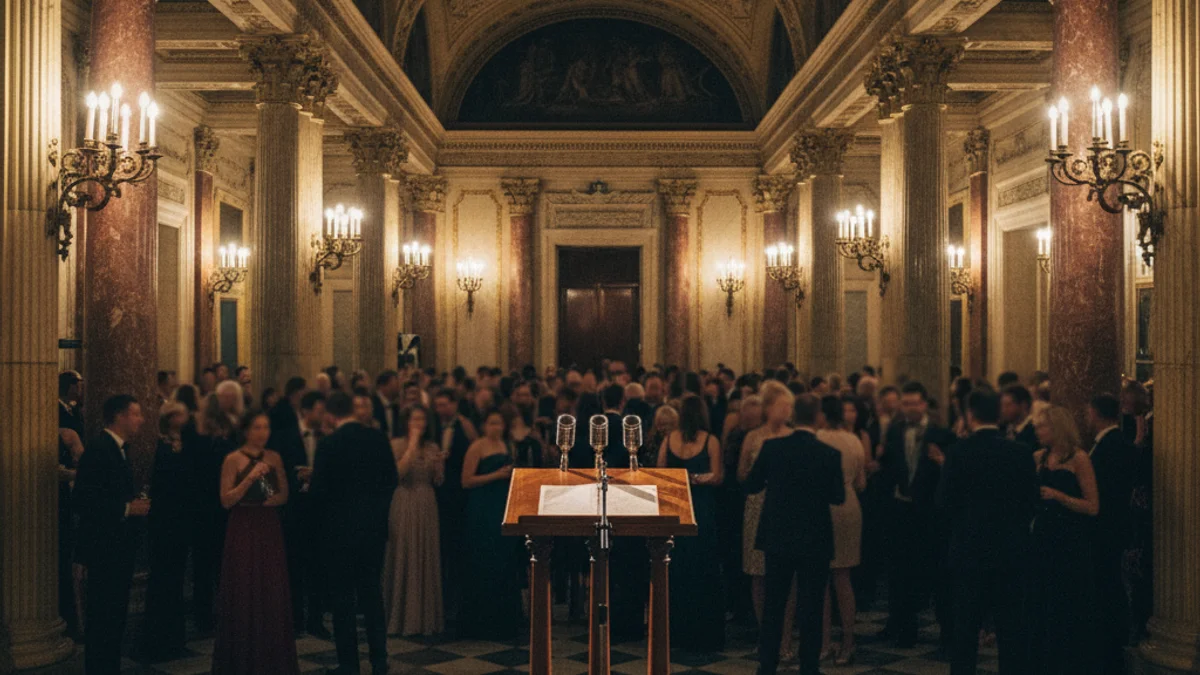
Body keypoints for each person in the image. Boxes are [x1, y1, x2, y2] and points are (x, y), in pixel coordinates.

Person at [936, 390, 1038, 675]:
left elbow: (943, 502)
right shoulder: (1020, 452)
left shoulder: (958, 452)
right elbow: (1032, 502)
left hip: (969, 551)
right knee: (1011, 629)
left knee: (965, 629)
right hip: (1010, 551)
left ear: (970, 416)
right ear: (998, 415)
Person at [743, 394, 845, 675]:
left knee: (774, 604)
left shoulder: (772, 448)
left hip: (778, 535)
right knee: (811, 605)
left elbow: (752, 485)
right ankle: (809, 667)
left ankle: (767, 665)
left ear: (792, 416)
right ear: (818, 418)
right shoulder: (828, 454)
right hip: (815, 537)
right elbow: (838, 497)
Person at [310, 392, 399, 675]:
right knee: (372, 596)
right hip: (372, 531)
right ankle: (379, 660)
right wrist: (377, 514)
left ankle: (348, 664)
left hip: (338, 533)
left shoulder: (328, 444)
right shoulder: (377, 439)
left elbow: (319, 492)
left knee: (343, 601)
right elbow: (391, 480)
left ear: (331, 415)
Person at [211, 411, 297, 674]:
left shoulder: (274, 457)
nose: (263, 432)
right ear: (247, 430)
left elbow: (282, 494)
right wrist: (250, 478)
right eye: (258, 427)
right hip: (243, 526)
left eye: (266, 427)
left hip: (268, 526)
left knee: (270, 586)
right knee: (244, 586)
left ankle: (272, 657)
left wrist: (272, 497)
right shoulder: (232, 459)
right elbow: (226, 500)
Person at [73, 394, 150, 675]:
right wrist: (128, 508)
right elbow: (83, 499)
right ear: (120, 416)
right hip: (104, 549)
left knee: (114, 617)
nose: (141, 420)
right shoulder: (99, 448)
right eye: (137, 414)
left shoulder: (119, 449)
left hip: (117, 548)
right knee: (104, 617)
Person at [1027, 405, 1100, 674]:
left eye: (1041, 426)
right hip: (1043, 536)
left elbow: (1092, 506)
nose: (1037, 431)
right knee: (1041, 601)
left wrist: (1059, 496)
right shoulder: (1037, 458)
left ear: (1056, 428)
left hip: (1070, 540)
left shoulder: (1079, 459)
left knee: (1067, 603)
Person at [878, 381, 952, 647]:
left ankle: (947, 632)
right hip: (900, 510)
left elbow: (953, 475)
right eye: (905, 403)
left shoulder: (941, 434)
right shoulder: (895, 432)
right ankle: (905, 629)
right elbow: (889, 469)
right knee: (900, 572)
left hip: (930, 513)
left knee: (937, 572)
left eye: (914, 403)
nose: (909, 408)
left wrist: (941, 463)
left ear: (924, 404)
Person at [658, 394, 725, 651]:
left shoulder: (668, 440)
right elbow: (717, 476)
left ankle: (677, 631)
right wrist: (697, 478)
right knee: (704, 568)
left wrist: (682, 478)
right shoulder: (711, 441)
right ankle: (705, 632)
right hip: (702, 508)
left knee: (678, 569)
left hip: (677, 508)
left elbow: (661, 472)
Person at [738, 382, 794, 653]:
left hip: (785, 506)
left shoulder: (793, 437)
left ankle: (784, 637)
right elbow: (741, 475)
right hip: (757, 506)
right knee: (758, 573)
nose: (787, 411)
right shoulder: (753, 437)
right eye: (783, 405)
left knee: (785, 574)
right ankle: (766, 635)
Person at [141, 402, 200, 661]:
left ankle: (173, 639)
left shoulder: (185, 444)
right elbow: (166, 484)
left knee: (174, 581)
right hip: (167, 523)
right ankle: (159, 641)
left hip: (179, 522)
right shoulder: (164, 447)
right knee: (164, 581)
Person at [383, 404, 446, 636]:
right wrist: (412, 444)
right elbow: (398, 473)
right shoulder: (397, 445)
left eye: (422, 420)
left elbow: (438, 481)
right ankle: (400, 618)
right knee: (404, 553)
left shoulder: (432, 446)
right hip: (404, 500)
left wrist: (439, 467)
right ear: (406, 422)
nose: (419, 424)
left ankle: (425, 619)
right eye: (414, 420)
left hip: (426, 501)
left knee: (425, 554)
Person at [460, 409, 522, 639]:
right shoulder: (477, 447)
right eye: (491, 423)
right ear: (485, 425)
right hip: (482, 506)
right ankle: (481, 623)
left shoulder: (508, 446)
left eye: (499, 423)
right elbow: (466, 481)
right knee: (483, 560)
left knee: (503, 560)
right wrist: (496, 475)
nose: (496, 427)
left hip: (501, 504)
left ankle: (504, 621)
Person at [1087, 394, 1135, 675]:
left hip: (1105, 527)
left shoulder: (1108, 447)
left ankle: (1109, 642)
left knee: (1106, 585)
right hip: (1116, 526)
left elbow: (1102, 491)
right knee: (1111, 583)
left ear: (1095, 413)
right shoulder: (1121, 443)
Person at [816, 396, 866, 665]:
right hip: (849, 506)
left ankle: (824, 644)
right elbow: (861, 483)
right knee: (843, 577)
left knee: (821, 579)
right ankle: (848, 642)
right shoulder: (854, 440)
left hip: (822, 506)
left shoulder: (817, 438)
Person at [193, 380, 244, 632]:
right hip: (211, 503)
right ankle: (207, 613)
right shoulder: (207, 435)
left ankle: (217, 610)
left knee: (217, 560)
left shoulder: (228, 429)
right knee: (209, 560)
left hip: (218, 501)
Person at [432, 387, 478, 626]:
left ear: (454, 405)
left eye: (444, 405)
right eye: (437, 405)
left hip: (459, 494)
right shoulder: (433, 427)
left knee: (457, 546)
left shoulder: (464, 426)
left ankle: (459, 603)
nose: (440, 410)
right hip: (437, 495)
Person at [57, 369, 85, 639]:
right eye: (79, 384)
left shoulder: (75, 412)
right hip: (62, 496)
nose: (82, 388)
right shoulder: (57, 414)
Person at [1000, 385, 1038, 451]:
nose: (1003, 410)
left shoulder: (1035, 430)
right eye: (1002, 405)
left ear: (1023, 405)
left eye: (1008, 405)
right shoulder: (1002, 428)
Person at [373, 370, 402, 438]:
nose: (399, 387)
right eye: (396, 384)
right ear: (382, 386)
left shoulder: (395, 407)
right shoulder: (372, 405)